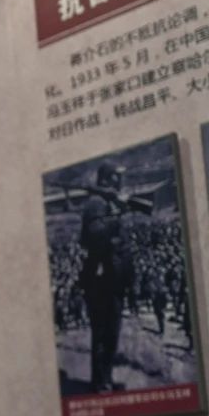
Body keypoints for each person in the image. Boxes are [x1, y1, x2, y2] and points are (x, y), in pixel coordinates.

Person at [77, 162, 135, 392]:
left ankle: (106, 379)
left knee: (111, 334)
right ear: (108, 179)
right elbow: (92, 235)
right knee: (102, 333)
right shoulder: (96, 203)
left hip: (113, 278)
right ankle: (100, 383)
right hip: (101, 280)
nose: (120, 180)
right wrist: (116, 215)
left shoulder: (107, 202)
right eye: (116, 176)